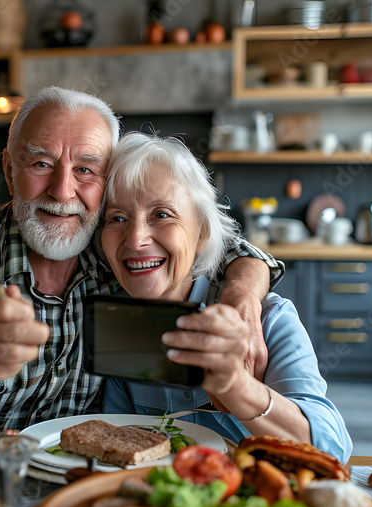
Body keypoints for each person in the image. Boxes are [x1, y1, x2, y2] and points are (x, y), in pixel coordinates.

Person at [0, 86, 282, 431]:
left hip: (82, 484)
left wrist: (242, 297)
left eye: (85, 170)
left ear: (107, 183)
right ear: (9, 171)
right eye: (41, 163)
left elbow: (203, 240)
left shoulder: (117, 247)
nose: (63, 191)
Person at [99, 131, 351, 462]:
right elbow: (117, 442)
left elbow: (333, 450)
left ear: (203, 232)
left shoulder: (268, 319)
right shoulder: (117, 322)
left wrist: (236, 387)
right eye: (118, 218)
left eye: (161, 214)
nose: (135, 239)